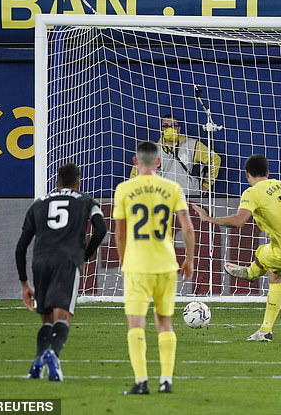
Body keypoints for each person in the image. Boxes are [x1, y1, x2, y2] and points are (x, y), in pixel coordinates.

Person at [192, 154, 281, 342]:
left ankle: (250, 274)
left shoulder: (252, 193)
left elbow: (239, 221)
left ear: (246, 174)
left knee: (269, 265)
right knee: (273, 268)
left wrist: (209, 219)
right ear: (268, 172)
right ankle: (265, 330)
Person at [114, 141, 195, 395]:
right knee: (164, 323)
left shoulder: (125, 189)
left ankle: (141, 382)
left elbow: (119, 233)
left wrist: (124, 259)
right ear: (158, 162)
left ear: (136, 162)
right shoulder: (172, 187)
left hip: (137, 265)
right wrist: (189, 259)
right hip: (165, 264)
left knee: (136, 324)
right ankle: (166, 381)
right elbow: (187, 227)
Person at [15, 163, 107, 381]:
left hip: (41, 261)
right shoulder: (86, 201)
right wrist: (85, 254)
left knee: (46, 319)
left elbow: (20, 248)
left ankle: (37, 363)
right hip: (67, 260)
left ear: (56, 183)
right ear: (78, 182)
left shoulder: (38, 204)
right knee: (63, 316)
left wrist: (24, 283)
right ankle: (53, 354)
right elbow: (101, 229)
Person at [130, 114, 221, 197]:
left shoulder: (193, 145)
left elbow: (215, 159)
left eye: (173, 126)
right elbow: (136, 172)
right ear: (162, 129)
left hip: (189, 197)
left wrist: (206, 184)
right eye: (165, 126)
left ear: (179, 129)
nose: (169, 129)